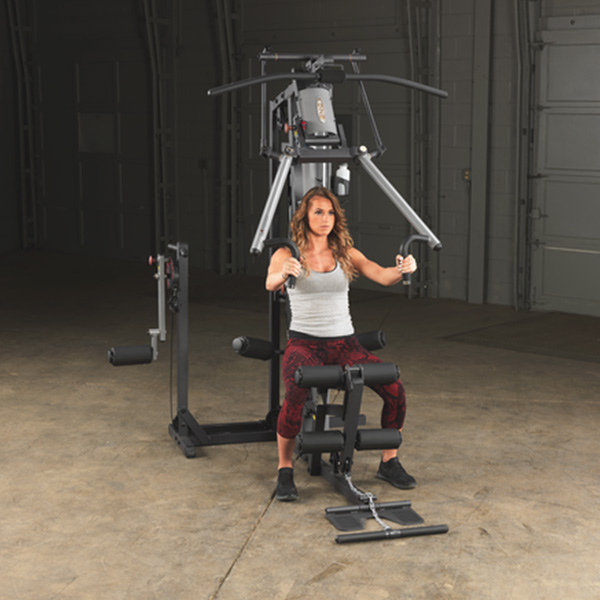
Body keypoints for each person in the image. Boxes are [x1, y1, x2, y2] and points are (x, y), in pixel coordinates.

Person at [265, 186, 418, 502]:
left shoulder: (345, 252)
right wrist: (283, 273)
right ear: (304, 216)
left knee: (395, 390)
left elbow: (382, 275)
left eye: (330, 212)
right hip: (304, 344)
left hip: (345, 344)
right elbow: (269, 282)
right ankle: (284, 469)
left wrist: (402, 269)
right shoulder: (287, 253)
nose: (325, 218)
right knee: (294, 395)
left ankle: (389, 461)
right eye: (318, 212)